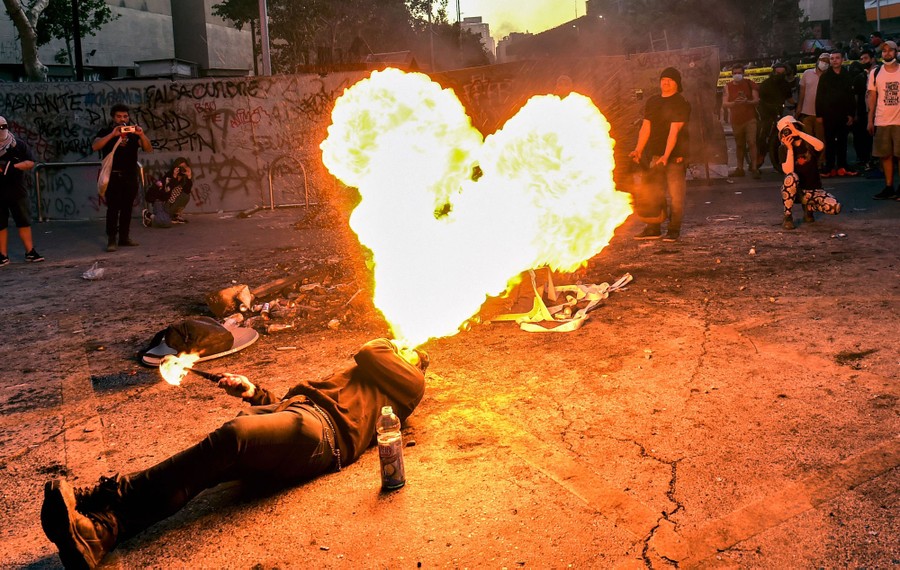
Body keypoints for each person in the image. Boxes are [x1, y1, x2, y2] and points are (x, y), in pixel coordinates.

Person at [40, 337, 429, 569]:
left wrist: (398, 345)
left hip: (323, 434)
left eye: (408, 350)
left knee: (234, 436)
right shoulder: (370, 374)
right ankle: (102, 522)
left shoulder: (409, 385)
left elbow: (372, 349)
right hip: (298, 418)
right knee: (203, 466)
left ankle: (107, 514)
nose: (401, 346)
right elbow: (291, 402)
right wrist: (252, 391)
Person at [629, 66, 692, 242]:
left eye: (670, 80)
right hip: (656, 156)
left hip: (675, 156)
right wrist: (638, 149)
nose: (666, 83)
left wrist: (666, 155)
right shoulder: (653, 102)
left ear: (677, 84)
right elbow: (646, 127)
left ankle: (673, 229)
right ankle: (653, 228)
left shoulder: (681, 103)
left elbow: (674, 131)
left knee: (676, 196)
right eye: (663, 79)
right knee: (653, 193)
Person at [92, 104, 152, 252]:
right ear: (113, 117)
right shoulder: (106, 132)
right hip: (113, 176)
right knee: (113, 208)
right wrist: (113, 135)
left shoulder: (133, 133)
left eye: (125, 116)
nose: (122, 119)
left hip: (130, 176)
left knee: (127, 208)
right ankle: (111, 239)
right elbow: (95, 146)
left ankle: (124, 237)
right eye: (119, 116)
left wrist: (141, 134)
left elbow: (148, 148)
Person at [777, 116, 842, 229]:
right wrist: (790, 149)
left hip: (814, 190)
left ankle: (809, 207)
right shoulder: (783, 149)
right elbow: (788, 171)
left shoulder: (808, 143)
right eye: (786, 130)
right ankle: (788, 216)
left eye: (792, 127)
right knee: (791, 177)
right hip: (797, 192)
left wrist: (799, 133)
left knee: (835, 207)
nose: (790, 131)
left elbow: (821, 146)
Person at [0, 115, 43, 265]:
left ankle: (30, 251)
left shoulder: (18, 145)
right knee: (0, 224)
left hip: (17, 190)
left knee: (23, 221)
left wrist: (12, 167)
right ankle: (2, 255)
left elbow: (30, 162)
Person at [815, 51, 857, 177]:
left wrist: (851, 114)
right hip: (828, 115)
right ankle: (829, 167)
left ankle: (843, 165)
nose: (834, 60)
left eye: (837, 58)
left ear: (842, 59)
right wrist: (819, 115)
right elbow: (820, 96)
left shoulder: (847, 75)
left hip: (843, 114)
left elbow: (851, 96)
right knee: (829, 141)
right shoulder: (825, 77)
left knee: (843, 141)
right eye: (832, 58)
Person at [867, 40, 900, 200]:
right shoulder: (876, 72)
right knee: (885, 155)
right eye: (884, 50)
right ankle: (889, 187)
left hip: (899, 121)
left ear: (896, 52)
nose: (887, 53)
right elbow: (872, 97)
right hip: (882, 120)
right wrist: (870, 119)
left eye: (890, 50)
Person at [723, 63, 761, 178]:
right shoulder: (728, 86)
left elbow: (756, 100)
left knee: (752, 142)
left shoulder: (750, 84)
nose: (737, 75)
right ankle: (739, 168)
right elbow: (725, 103)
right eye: (735, 73)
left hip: (750, 118)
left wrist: (747, 102)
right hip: (736, 119)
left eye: (739, 73)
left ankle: (754, 168)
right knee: (739, 145)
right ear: (732, 74)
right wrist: (734, 103)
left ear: (743, 73)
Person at [757, 61, 795, 173]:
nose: (780, 74)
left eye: (782, 72)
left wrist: (797, 105)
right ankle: (760, 155)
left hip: (779, 111)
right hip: (766, 111)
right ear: (773, 71)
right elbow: (760, 98)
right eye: (778, 72)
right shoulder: (766, 84)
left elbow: (789, 98)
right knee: (764, 133)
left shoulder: (785, 84)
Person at [796, 52, 831, 168]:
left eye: (827, 61)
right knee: (808, 140)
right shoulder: (807, 73)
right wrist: (799, 108)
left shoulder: (829, 76)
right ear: (818, 60)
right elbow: (802, 93)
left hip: (821, 115)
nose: (824, 63)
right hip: (807, 112)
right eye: (823, 60)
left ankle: (821, 162)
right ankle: (810, 162)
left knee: (821, 140)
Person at [142, 158, 193, 228]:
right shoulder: (169, 177)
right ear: (175, 168)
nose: (182, 169)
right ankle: (148, 215)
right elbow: (165, 195)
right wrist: (174, 177)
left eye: (184, 167)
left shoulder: (184, 178)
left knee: (186, 196)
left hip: (169, 203)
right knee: (165, 222)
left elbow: (187, 191)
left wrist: (189, 177)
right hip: (160, 201)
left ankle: (173, 216)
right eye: (180, 167)